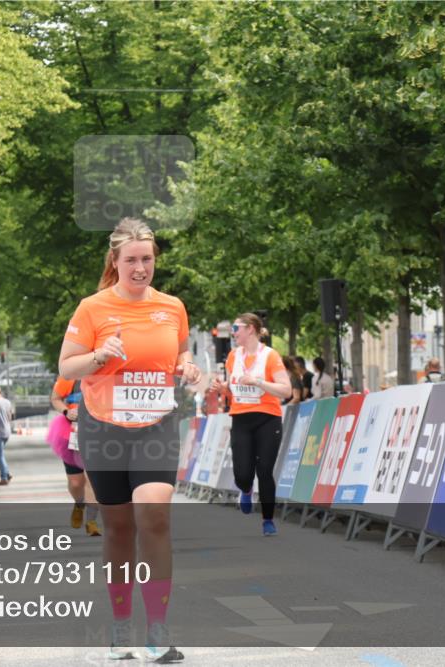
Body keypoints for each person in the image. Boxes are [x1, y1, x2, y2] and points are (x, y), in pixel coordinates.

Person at [58, 218, 199, 663]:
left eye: (148, 260)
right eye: (132, 260)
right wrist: (99, 356)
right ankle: (122, 629)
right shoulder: (92, 308)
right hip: (104, 429)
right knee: (118, 529)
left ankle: (158, 629)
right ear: (115, 262)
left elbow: (181, 354)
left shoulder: (172, 307)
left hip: (156, 426)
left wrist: (189, 368)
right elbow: (67, 367)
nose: (141, 268)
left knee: (154, 516)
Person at [210, 314, 292, 537]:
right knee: (243, 474)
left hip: (267, 418)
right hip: (241, 419)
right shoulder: (233, 357)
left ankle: (268, 520)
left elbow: (287, 390)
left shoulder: (270, 356)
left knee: (264, 470)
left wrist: (258, 382)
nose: (234, 332)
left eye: (237, 327)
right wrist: (222, 387)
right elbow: (233, 389)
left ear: (252, 329)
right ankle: (245, 490)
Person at [46, 376, 102, 536]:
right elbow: (55, 398)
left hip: (98, 432)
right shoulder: (70, 376)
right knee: (76, 483)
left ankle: (91, 522)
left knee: (91, 479)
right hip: (71, 432)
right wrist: (66, 411)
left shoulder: (106, 373)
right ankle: (79, 503)